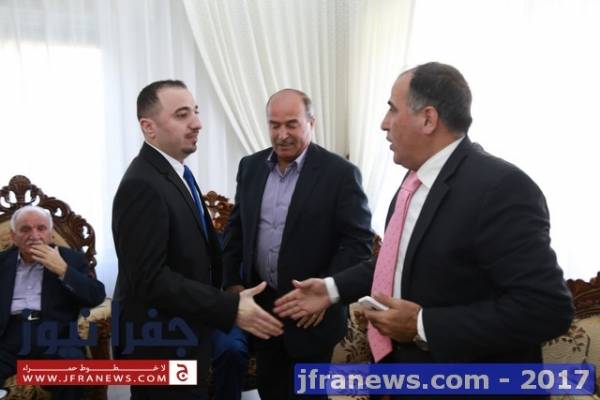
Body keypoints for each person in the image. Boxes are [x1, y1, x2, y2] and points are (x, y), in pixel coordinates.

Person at [275, 63, 573, 375]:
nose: (383, 123)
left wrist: (422, 325)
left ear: (428, 119)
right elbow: (399, 263)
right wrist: (331, 289)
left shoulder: (501, 188)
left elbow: (546, 309)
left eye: (392, 109)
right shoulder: (413, 181)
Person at [112, 80, 283, 400]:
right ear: (149, 127)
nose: (197, 123)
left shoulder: (174, 173)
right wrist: (229, 306)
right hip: (161, 345)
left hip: (187, 336)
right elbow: (150, 280)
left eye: (196, 111)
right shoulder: (142, 185)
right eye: (182, 115)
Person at [222, 88, 374, 399]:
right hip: (264, 313)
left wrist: (326, 293)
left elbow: (358, 244)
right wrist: (232, 284)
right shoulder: (250, 167)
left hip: (312, 318)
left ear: (311, 123)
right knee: (270, 392)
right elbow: (235, 232)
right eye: (274, 125)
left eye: (291, 124)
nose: (282, 135)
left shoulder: (341, 174)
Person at [0, 205, 106, 400]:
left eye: (41, 228)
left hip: (55, 337)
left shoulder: (71, 259)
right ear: (14, 236)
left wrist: (63, 270)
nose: (34, 235)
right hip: (8, 337)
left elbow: (97, 295)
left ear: (50, 235)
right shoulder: (2, 262)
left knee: (71, 369)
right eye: (25, 229)